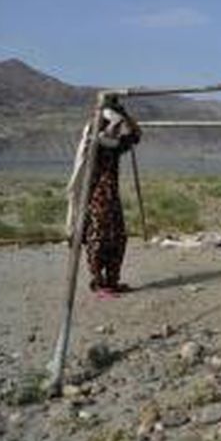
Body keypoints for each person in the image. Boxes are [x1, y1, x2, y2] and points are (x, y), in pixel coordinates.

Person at [66, 95, 142, 299]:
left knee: (117, 238)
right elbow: (97, 134)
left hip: (111, 198)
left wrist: (124, 115)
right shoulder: (95, 143)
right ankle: (99, 283)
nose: (117, 129)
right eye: (113, 125)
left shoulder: (114, 147)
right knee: (97, 238)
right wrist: (109, 118)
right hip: (95, 198)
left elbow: (136, 134)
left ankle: (112, 281)